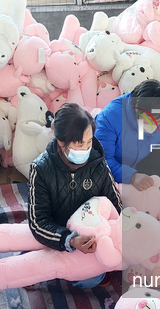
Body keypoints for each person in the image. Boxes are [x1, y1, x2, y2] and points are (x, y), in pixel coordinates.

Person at [27, 102, 123, 288]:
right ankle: (48, 266)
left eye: (89, 142)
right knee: (35, 258)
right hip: (59, 235)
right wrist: (68, 240)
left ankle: (65, 271)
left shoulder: (98, 165)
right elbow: (38, 221)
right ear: (61, 142)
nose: (86, 149)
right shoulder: (41, 169)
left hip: (90, 238)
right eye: (80, 144)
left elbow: (115, 205)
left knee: (92, 277)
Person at [94, 79, 160, 199]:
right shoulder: (110, 116)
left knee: (159, 157)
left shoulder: (159, 120)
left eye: (158, 121)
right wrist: (132, 176)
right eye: (151, 120)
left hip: (136, 164)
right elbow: (102, 159)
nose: (154, 126)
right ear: (137, 108)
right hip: (112, 170)